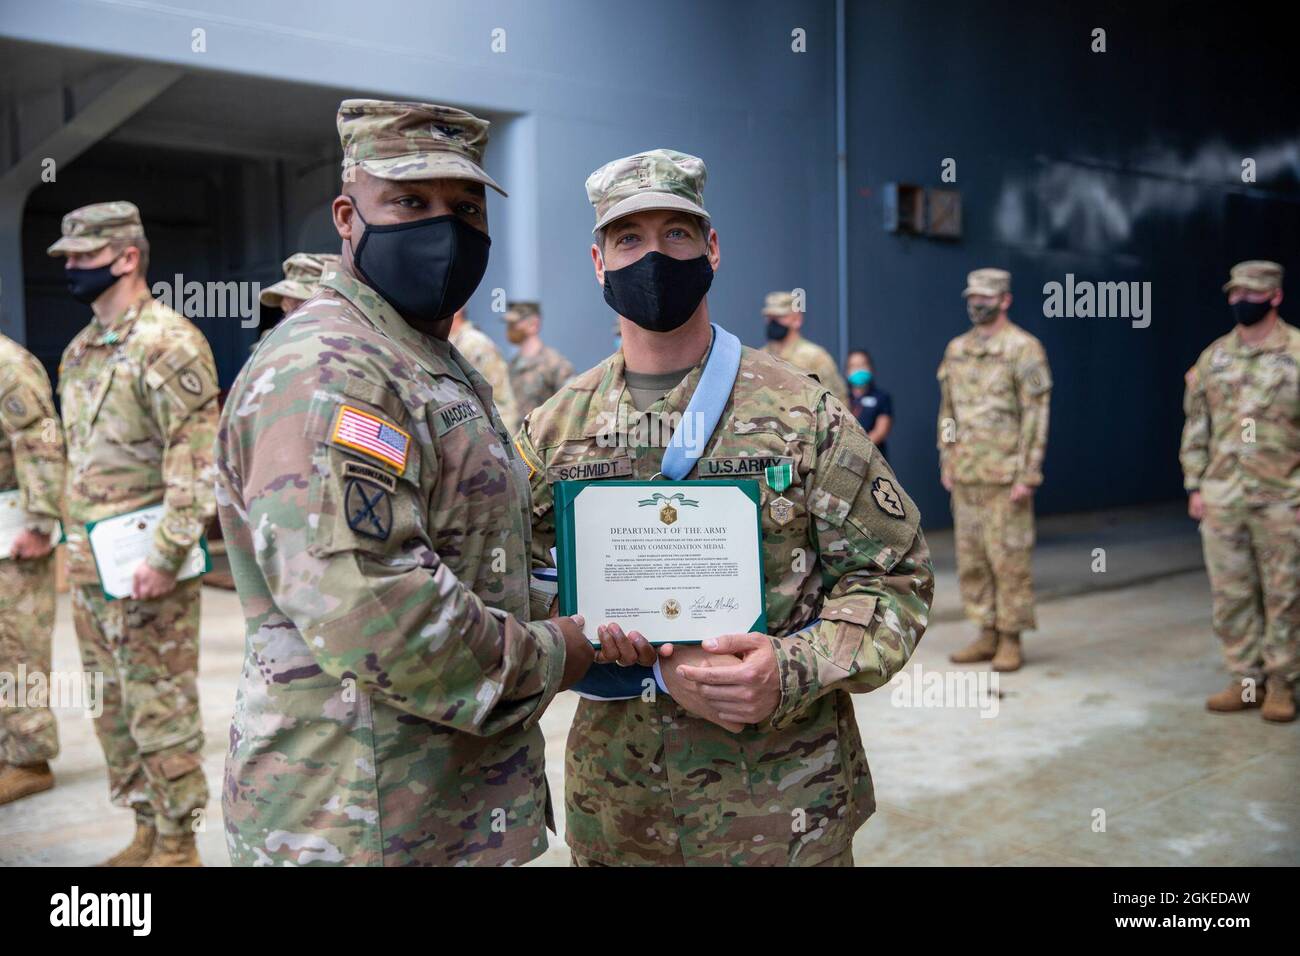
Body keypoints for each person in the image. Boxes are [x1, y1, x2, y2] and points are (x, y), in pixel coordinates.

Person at [516, 148, 934, 866]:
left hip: (781, 809)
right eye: (629, 239)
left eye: (676, 234)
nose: (654, 256)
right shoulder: (554, 430)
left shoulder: (805, 415)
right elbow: (507, 589)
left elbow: (896, 580)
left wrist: (792, 666)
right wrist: (578, 641)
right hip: (622, 810)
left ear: (712, 248)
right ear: (597, 261)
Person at [215, 98, 605, 867]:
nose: (445, 226)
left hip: (445, 806)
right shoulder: (329, 366)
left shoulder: (425, 358)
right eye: (410, 200)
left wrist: (598, 602)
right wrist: (557, 651)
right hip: (357, 818)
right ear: (347, 215)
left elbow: (476, 555)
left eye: (465, 207)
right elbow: (378, 608)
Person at [48, 201, 218, 866]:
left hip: (148, 564)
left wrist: (166, 554)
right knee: (112, 710)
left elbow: (194, 462)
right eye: (66, 258)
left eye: (83, 256)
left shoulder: (169, 342)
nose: (71, 268)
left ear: (126, 257)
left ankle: (179, 844)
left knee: (160, 706)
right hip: (92, 566)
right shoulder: (81, 349)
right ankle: (145, 828)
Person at [1181, 260, 1298, 722]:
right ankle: (1246, 682)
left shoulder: (1296, 354)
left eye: (1250, 293)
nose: (1239, 301)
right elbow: (1196, 427)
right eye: (1233, 293)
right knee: (1232, 595)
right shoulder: (1214, 358)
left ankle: (1284, 684)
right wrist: (1196, 484)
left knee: (1285, 595)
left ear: (1275, 296)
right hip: (1224, 497)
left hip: (1282, 498)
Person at [939, 268, 1051, 673]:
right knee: (972, 559)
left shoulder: (1024, 349)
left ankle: (1010, 637)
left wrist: (1028, 473)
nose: (977, 304)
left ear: (1005, 300)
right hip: (967, 473)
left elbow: (1035, 415)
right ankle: (984, 630)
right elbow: (948, 411)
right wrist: (947, 458)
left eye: (985, 298)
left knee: (1009, 560)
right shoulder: (957, 350)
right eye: (972, 297)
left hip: (1006, 476)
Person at [0, 332, 65, 805]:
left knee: (17, 644)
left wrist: (41, 520)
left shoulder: (8, 363)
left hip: (15, 530)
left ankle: (29, 759)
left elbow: (40, 436)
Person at [760, 290, 849, 404]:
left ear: (797, 319)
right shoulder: (760, 357)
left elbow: (838, 402)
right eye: (769, 317)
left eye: (780, 317)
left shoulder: (815, 358)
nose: (773, 322)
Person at [450, 308, 522, 433]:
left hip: (491, 435)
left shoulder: (474, 343)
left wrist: (503, 444)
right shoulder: (450, 342)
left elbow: (501, 399)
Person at [502, 301, 574, 419]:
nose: (510, 328)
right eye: (509, 324)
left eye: (515, 323)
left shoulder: (554, 363)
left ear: (534, 324)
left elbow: (571, 405)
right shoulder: (512, 365)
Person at [256, 252, 341, 340]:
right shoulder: (273, 339)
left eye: (301, 300)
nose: (286, 304)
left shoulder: (342, 337)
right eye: (286, 296)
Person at [845, 347, 893, 459]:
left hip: (873, 457)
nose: (859, 369)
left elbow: (881, 430)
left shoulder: (881, 397)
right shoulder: (842, 397)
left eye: (863, 365)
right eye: (854, 366)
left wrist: (858, 448)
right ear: (847, 372)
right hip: (844, 458)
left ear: (871, 368)